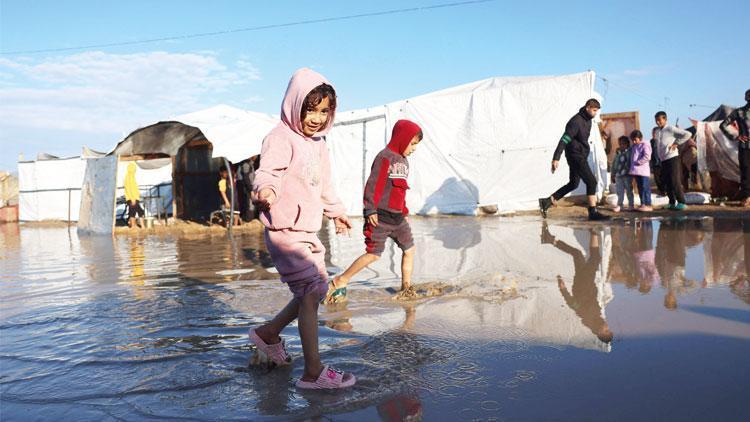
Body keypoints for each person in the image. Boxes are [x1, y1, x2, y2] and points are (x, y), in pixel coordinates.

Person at [249, 68, 355, 389]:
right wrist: (265, 191)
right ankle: (313, 372)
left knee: (319, 289)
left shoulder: (319, 144)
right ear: (295, 104)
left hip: (308, 230)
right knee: (310, 293)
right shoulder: (280, 137)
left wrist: (337, 212)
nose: (317, 118)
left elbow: (325, 184)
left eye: (324, 111)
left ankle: (268, 334)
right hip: (285, 230)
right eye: (311, 108)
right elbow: (268, 172)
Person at [323, 120, 423, 304]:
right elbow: (373, 185)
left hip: (398, 218)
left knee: (410, 249)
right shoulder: (385, 157)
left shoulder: (404, 162)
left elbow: (401, 191)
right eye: (413, 143)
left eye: (416, 145)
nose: (414, 149)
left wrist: (405, 212)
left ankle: (406, 287)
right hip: (380, 218)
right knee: (374, 254)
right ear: (402, 138)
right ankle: (340, 280)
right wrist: (370, 210)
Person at [540, 223, 613, 343]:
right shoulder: (595, 319)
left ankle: (593, 232)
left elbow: (573, 304)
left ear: (600, 332)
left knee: (595, 258)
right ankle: (549, 239)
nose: (607, 327)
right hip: (583, 283)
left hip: (584, 282)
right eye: (608, 329)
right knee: (577, 254)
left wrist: (563, 290)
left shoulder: (589, 318)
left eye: (606, 330)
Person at [539, 99, 609, 221]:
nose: (595, 113)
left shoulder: (588, 121)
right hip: (575, 155)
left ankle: (547, 201)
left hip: (581, 155)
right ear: (587, 107)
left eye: (596, 111)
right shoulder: (576, 121)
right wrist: (556, 158)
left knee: (573, 184)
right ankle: (592, 212)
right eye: (594, 110)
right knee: (591, 181)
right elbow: (564, 139)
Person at [654, 111, 692, 210]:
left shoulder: (670, 128)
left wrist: (676, 143)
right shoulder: (658, 131)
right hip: (664, 159)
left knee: (675, 180)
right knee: (667, 182)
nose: (658, 122)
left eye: (660, 120)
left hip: (672, 158)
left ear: (665, 119)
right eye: (656, 120)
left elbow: (688, 134)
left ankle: (682, 202)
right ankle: (671, 202)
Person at [719, 89, 750, 207]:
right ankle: (747, 197)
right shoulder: (739, 112)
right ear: (746, 98)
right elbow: (723, 125)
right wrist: (735, 136)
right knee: (746, 172)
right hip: (745, 147)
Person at [629, 130, 653, 212]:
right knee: (640, 188)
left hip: (643, 171)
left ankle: (648, 204)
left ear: (640, 138)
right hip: (636, 171)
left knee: (645, 187)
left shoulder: (645, 145)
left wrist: (638, 162)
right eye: (633, 140)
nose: (634, 141)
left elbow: (647, 156)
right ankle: (643, 203)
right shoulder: (634, 146)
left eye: (635, 139)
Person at [610, 135, 634, 212]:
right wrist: (613, 174)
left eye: (623, 144)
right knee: (619, 191)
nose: (621, 146)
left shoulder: (630, 152)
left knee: (629, 190)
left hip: (627, 175)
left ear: (627, 144)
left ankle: (631, 205)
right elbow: (614, 164)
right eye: (620, 144)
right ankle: (620, 205)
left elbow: (631, 162)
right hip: (618, 175)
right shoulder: (618, 153)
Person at [124, 162, 145, 228]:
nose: (135, 170)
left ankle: (135, 226)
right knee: (139, 212)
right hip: (132, 198)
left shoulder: (131, 176)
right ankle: (139, 226)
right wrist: (132, 198)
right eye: (134, 169)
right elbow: (129, 189)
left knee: (134, 212)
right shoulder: (129, 177)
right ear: (131, 169)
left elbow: (133, 188)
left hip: (134, 198)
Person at [649, 126, 666, 195]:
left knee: (664, 178)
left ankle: (665, 190)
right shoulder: (651, 142)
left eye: (656, 133)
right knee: (657, 178)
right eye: (653, 133)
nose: (654, 134)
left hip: (663, 162)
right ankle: (662, 191)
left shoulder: (663, 141)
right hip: (655, 163)